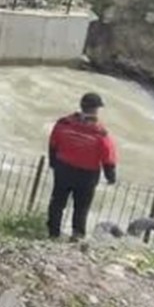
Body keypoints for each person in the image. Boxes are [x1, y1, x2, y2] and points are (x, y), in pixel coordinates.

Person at [47, 92, 119, 240]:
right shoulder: (100, 132)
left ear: (81, 105)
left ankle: (53, 234)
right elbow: (108, 155)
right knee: (81, 208)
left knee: (57, 202)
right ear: (96, 109)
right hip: (87, 175)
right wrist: (110, 175)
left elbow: (53, 143)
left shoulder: (64, 123)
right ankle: (77, 236)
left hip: (63, 169)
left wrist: (53, 163)